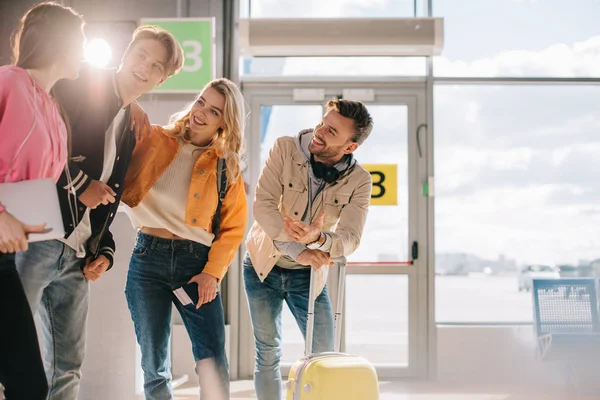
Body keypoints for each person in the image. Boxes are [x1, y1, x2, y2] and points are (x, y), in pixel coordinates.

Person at [15, 25, 184, 400]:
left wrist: (103, 250)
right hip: (36, 236)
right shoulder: (78, 86)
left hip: (76, 257)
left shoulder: (130, 125)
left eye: (156, 66)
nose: (144, 67)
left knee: (67, 366)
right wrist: (79, 183)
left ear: (161, 79)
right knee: (13, 353)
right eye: (141, 55)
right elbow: (35, 143)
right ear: (126, 52)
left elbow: (106, 199)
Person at [120, 78, 248, 400]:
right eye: (201, 101)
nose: (201, 112)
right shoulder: (155, 139)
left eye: (214, 111)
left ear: (225, 123)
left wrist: (211, 273)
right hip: (147, 259)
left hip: (196, 264)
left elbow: (233, 228)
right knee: (154, 363)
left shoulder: (225, 166)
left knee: (212, 360)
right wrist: (127, 102)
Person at [243, 98, 374, 399]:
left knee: (325, 356)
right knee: (267, 352)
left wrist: (318, 239)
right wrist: (297, 249)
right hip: (263, 265)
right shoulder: (285, 148)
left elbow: (351, 237)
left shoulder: (359, 181)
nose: (320, 131)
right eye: (323, 123)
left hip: (310, 275)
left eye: (331, 132)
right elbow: (263, 207)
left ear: (350, 147)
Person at [0, 3, 85, 399]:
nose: (84, 52)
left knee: (27, 383)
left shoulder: (51, 105)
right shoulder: (8, 82)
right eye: (80, 42)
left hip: (11, 254)